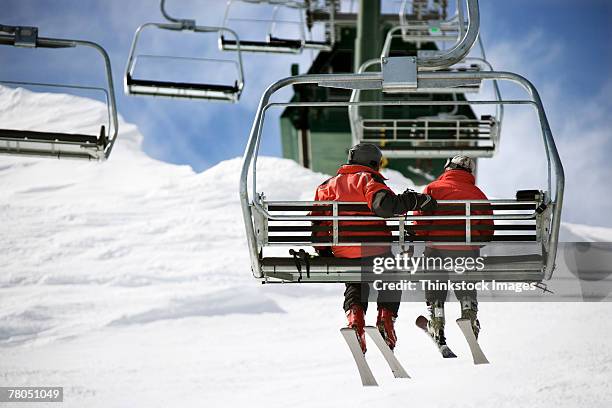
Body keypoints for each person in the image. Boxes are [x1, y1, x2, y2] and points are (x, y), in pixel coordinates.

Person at [311, 143, 437, 353]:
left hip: (344, 253)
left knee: (355, 281)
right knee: (391, 276)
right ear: (372, 162)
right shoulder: (367, 179)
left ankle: (355, 320)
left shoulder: (326, 186)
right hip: (375, 250)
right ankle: (386, 320)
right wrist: (413, 200)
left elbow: (318, 224)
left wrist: (325, 253)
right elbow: (385, 206)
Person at [414, 155, 493, 345]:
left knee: (434, 270)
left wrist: (425, 235)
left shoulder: (433, 188)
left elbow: (419, 223)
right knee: (465, 267)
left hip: (436, 250)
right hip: (466, 250)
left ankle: (437, 318)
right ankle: (469, 312)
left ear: (448, 168)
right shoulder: (478, 193)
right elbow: (487, 230)